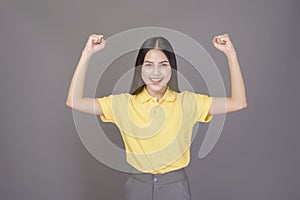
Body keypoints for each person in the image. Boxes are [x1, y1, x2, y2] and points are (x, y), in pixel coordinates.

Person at [66, 33, 247, 200]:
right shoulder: (122, 104)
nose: (156, 73)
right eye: (149, 65)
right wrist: (87, 53)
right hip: (137, 187)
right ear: (140, 68)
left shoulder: (189, 102)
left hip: (175, 187)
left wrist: (231, 53)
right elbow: (74, 101)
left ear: (172, 68)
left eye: (163, 65)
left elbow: (238, 102)